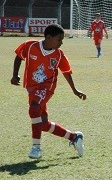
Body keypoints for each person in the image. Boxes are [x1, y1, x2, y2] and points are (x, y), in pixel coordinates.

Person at [10, 24, 87, 160]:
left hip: (47, 87)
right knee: (42, 124)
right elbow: (18, 56)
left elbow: (66, 72)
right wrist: (15, 75)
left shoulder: (58, 55)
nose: (61, 43)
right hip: (32, 88)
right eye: (59, 39)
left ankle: (36, 148)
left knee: (34, 108)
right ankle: (75, 137)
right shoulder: (30, 46)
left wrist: (74, 90)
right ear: (49, 37)